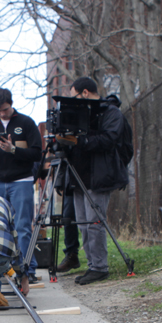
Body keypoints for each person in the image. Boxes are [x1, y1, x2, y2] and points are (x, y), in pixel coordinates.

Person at [62, 76, 129, 285]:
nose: (72, 102)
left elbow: (109, 140)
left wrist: (82, 140)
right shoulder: (81, 114)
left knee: (94, 223)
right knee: (83, 223)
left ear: (84, 93)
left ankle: (100, 267)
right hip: (79, 177)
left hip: (99, 177)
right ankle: (93, 265)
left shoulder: (111, 113)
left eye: (74, 96)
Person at [0, 88, 43, 283]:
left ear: (11, 104)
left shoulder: (26, 123)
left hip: (21, 181)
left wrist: (14, 150)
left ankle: (27, 270)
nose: (2, 114)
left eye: (5, 110)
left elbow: (37, 153)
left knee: (22, 227)